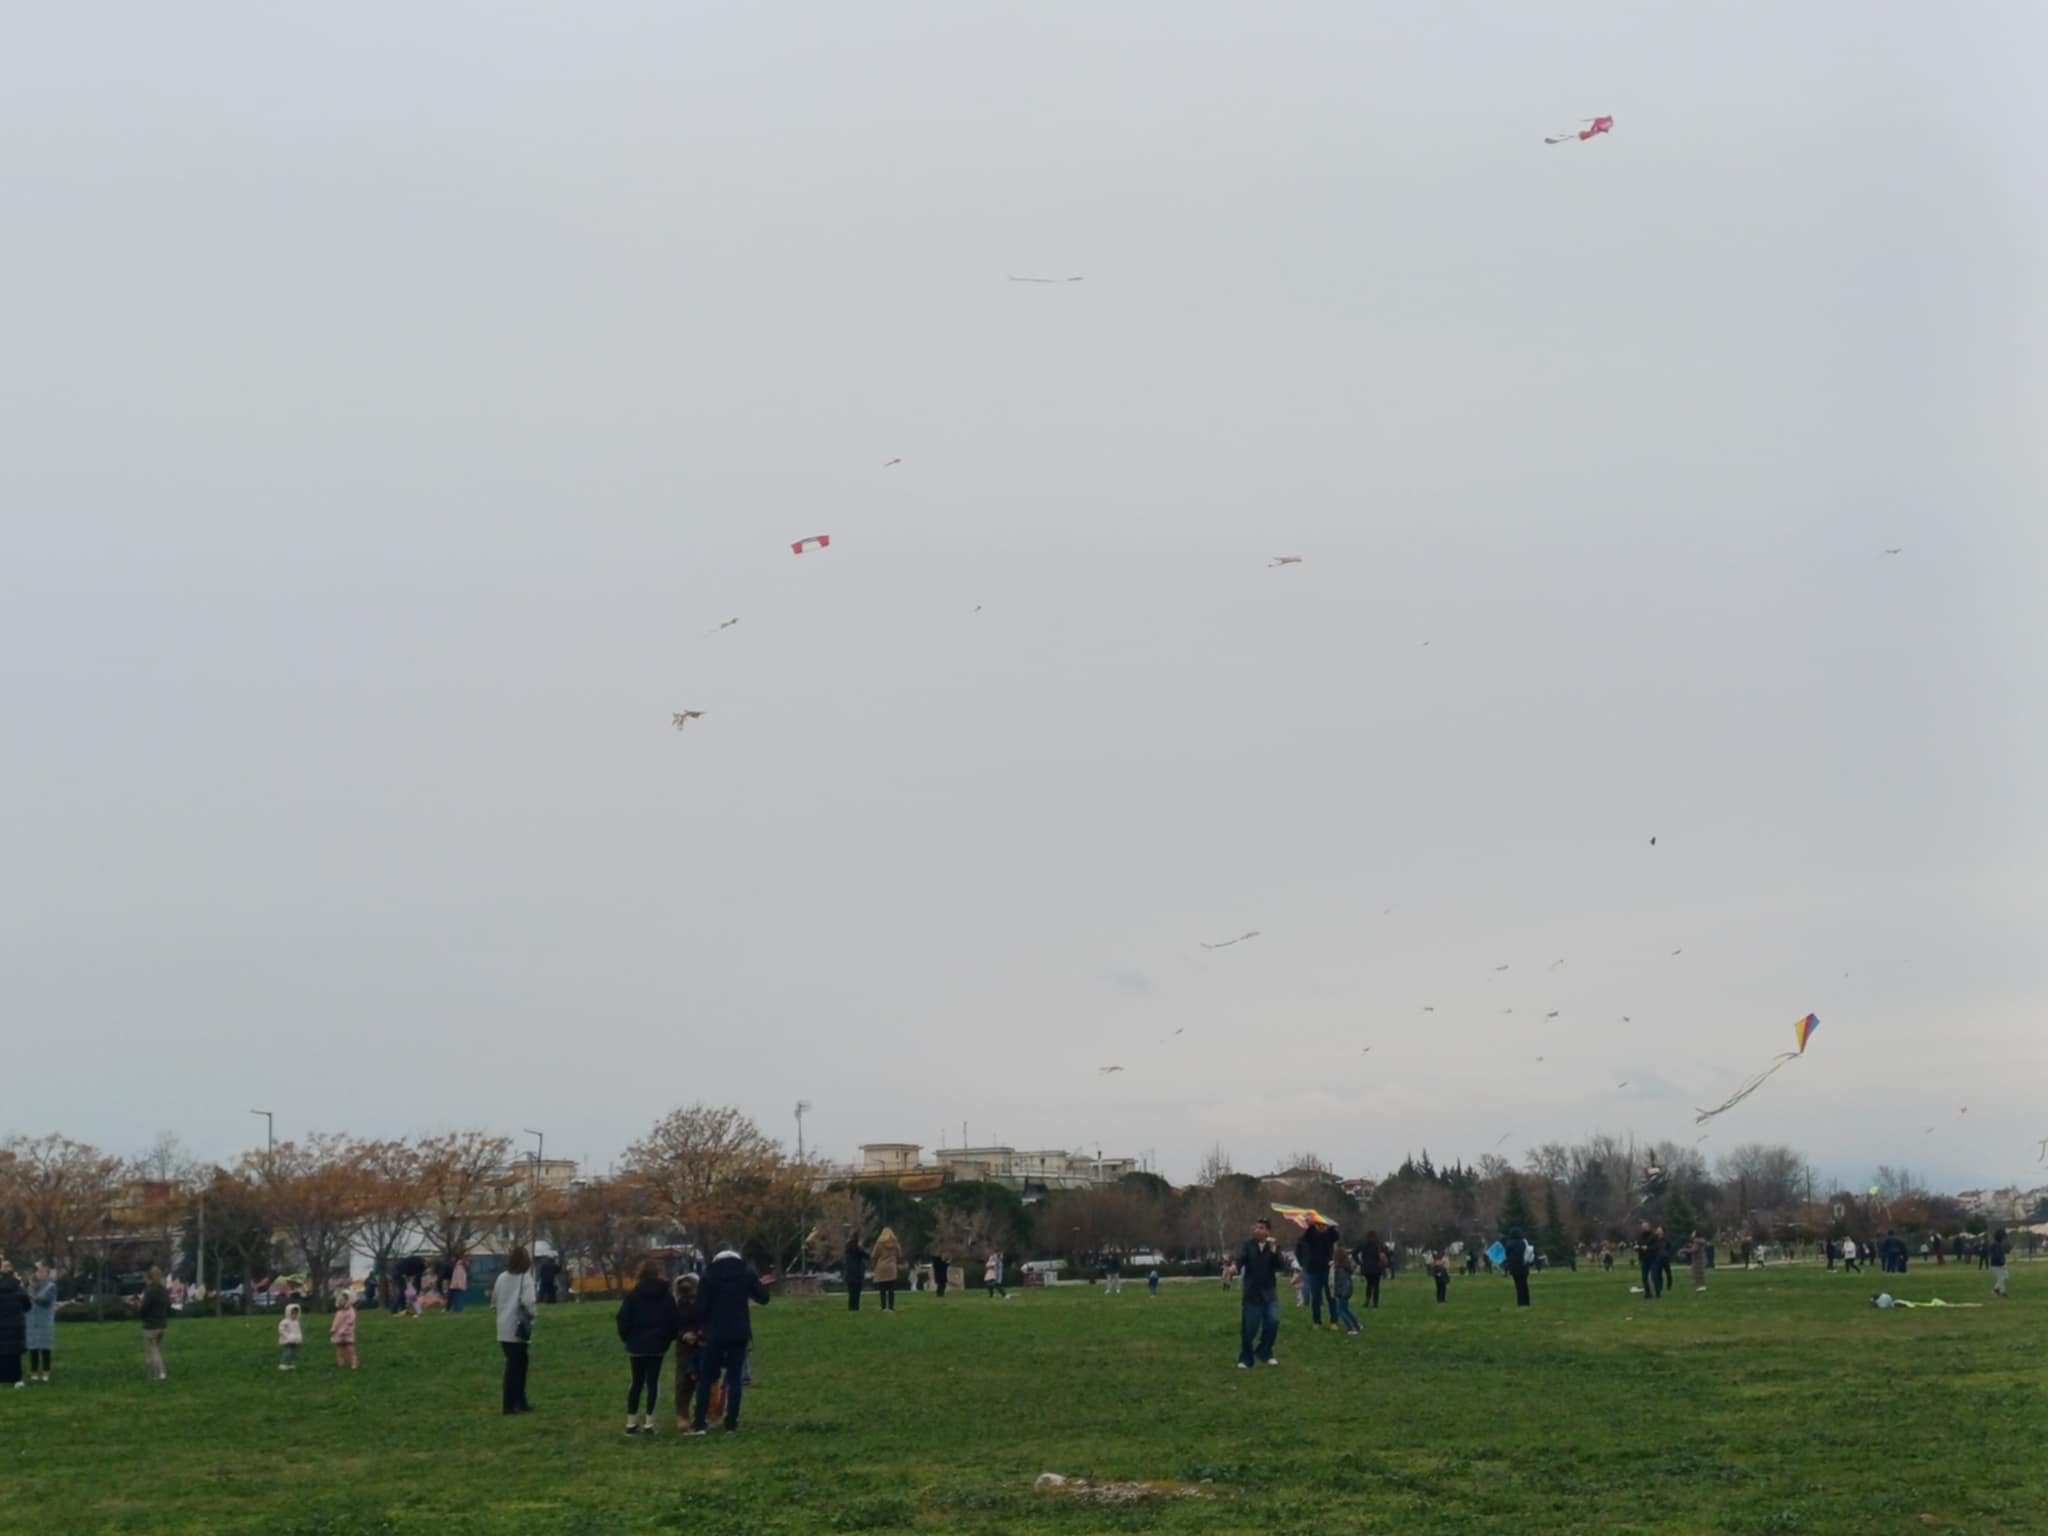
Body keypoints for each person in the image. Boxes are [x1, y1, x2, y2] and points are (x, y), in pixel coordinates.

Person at [687, 1247, 772, 1435]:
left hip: (714, 1334)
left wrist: (701, 1329)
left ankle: (700, 1423)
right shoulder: (746, 1272)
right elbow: (764, 1298)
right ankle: (731, 1424)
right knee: (734, 1379)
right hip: (739, 1332)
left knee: (707, 1378)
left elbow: (700, 1309)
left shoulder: (708, 1274)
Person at [615, 1259, 680, 1435]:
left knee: (636, 1382)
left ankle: (631, 1422)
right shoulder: (666, 1296)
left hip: (636, 1344)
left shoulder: (633, 1295)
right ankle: (649, 1423)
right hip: (658, 1344)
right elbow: (673, 1320)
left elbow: (622, 1319)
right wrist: (669, 1338)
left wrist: (626, 1338)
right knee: (653, 1382)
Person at [1234, 1218, 1295, 1368]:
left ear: (1268, 1231)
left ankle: (1265, 1351)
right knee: (1249, 1328)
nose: (1257, 1230)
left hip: (1269, 1292)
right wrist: (1234, 1268)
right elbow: (1241, 1259)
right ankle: (1246, 1358)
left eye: (1261, 1228)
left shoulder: (1273, 1247)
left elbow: (1280, 1266)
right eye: (1256, 1227)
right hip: (1252, 1292)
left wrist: (1274, 1250)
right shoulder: (1248, 1245)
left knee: (1273, 1322)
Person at [493, 1246, 538, 1415]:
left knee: (514, 1365)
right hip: (518, 1329)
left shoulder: (501, 1278)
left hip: (502, 1328)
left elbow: (494, 1300)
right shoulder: (525, 1279)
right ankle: (511, 1404)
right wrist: (533, 1315)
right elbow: (529, 1301)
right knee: (517, 1369)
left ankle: (519, 1402)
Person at [671, 1274, 704, 1431]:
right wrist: (683, 1335)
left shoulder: (703, 1303)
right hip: (684, 1347)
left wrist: (699, 1333)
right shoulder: (676, 1306)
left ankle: (701, 1413)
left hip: (701, 1344)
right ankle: (682, 1415)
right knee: (684, 1383)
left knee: (702, 1381)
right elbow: (672, 1325)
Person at [26, 1263, 57, 1383]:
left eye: (43, 1272)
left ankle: (46, 1373)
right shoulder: (31, 1286)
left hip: (45, 1321)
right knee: (33, 1348)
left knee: (45, 1348)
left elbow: (46, 1302)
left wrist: (32, 1297)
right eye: (38, 1272)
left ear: (47, 1274)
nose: (40, 1274)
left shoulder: (51, 1286)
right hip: (32, 1321)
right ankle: (34, 1373)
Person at [140, 1266, 171, 1381]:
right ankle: (153, 1375)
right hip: (162, 1325)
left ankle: (160, 1372)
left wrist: (141, 1314)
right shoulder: (164, 1291)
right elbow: (168, 1306)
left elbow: (144, 1308)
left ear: (150, 1278)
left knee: (152, 1351)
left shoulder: (150, 1291)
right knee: (156, 1349)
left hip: (151, 1326)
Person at [0, 1263, 28, 1389]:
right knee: (15, 1354)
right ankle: (17, 1379)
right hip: (16, 1325)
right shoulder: (19, 1289)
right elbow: (27, 1306)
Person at [869, 1228, 902, 1312]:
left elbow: (874, 1255)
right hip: (891, 1266)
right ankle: (891, 1307)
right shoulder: (895, 1243)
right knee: (891, 1289)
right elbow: (900, 1254)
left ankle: (883, 1307)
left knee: (882, 1289)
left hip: (882, 1267)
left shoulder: (879, 1243)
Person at [1329, 1248, 1362, 1335]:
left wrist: (1337, 1293)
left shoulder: (1339, 1270)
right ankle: (1356, 1325)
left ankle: (1352, 1328)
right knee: (1346, 1310)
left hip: (1342, 1293)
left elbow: (1339, 1283)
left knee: (1341, 1311)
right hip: (1346, 1292)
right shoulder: (1345, 1268)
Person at [1356, 1231, 1387, 1311]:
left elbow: (1354, 1253)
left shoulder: (1363, 1244)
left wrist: (1359, 1262)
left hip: (1366, 1268)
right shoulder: (1379, 1244)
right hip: (1377, 1268)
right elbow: (1386, 1253)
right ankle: (1375, 1303)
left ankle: (1367, 1301)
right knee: (1376, 1286)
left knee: (1369, 1285)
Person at [1502, 1228, 1531, 1307]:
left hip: (1514, 1267)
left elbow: (1506, 1252)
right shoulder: (1523, 1242)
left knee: (1518, 1285)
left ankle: (1520, 1302)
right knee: (1524, 1285)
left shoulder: (1510, 1243)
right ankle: (1526, 1301)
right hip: (1524, 1266)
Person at [331, 1289, 359, 1370]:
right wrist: (333, 1328)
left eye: (342, 1300)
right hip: (338, 1334)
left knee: (350, 1348)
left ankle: (354, 1363)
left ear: (348, 1301)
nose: (340, 1302)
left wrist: (344, 1329)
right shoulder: (339, 1312)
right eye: (340, 1300)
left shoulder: (351, 1311)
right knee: (339, 1349)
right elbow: (336, 1321)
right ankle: (341, 1364)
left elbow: (350, 1322)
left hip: (347, 1333)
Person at [1634, 1222, 1661, 1299]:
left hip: (1653, 1259)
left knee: (1654, 1276)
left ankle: (1658, 1293)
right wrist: (1637, 1248)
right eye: (1643, 1227)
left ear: (1649, 1227)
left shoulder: (1654, 1236)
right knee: (1644, 1277)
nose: (1644, 1228)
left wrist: (1648, 1248)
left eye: (1645, 1227)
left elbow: (1656, 1247)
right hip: (1644, 1259)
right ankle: (1648, 1293)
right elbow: (1638, 1245)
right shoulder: (1640, 1236)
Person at [843, 1235, 869, 1312]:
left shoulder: (847, 1250)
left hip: (849, 1274)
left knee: (851, 1293)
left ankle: (851, 1307)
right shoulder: (858, 1250)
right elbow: (867, 1256)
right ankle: (856, 1307)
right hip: (858, 1274)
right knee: (857, 1292)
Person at [278, 1303, 304, 1371]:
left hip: (294, 1340)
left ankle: (290, 1364)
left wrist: (299, 1338)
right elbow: (281, 1330)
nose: (294, 1315)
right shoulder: (285, 1322)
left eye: (296, 1313)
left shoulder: (296, 1322)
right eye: (292, 1313)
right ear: (288, 1313)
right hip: (287, 1340)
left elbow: (298, 1331)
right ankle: (283, 1364)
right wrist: (287, 1336)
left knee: (293, 1353)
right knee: (287, 1352)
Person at [1989, 1230, 2008, 1299]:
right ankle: (2002, 1292)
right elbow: (1996, 1255)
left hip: (1999, 1264)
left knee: (2005, 1276)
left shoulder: (1997, 1244)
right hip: (1997, 1265)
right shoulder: (1996, 1245)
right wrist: (2001, 1261)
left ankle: (1996, 1290)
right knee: (2001, 1278)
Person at [1656, 1226, 1675, 1294]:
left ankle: (1669, 1286)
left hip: (1665, 1258)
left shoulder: (1666, 1240)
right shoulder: (1655, 1239)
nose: (1658, 1231)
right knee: (1658, 1273)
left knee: (1668, 1273)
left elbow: (1671, 1248)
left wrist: (1668, 1254)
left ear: (1663, 1231)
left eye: (1659, 1230)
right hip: (1658, 1258)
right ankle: (1660, 1287)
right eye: (1657, 1230)